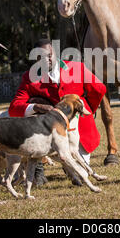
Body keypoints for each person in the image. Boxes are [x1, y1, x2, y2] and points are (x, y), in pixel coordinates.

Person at [9, 39, 106, 185]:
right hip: (53, 134)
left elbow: (99, 89)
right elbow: (14, 107)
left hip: (80, 130)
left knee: (81, 174)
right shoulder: (29, 77)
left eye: (49, 55)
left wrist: (88, 109)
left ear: (56, 54)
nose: (46, 59)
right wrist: (36, 107)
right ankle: (50, 166)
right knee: (73, 168)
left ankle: (71, 168)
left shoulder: (77, 68)